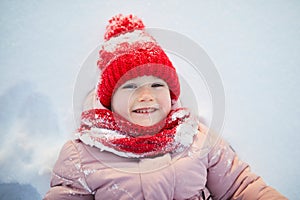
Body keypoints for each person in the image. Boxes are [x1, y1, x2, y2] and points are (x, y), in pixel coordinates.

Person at [44, 14, 287, 200]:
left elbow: (241, 186)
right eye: (130, 87)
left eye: (156, 84)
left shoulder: (197, 139)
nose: (146, 95)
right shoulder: (83, 154)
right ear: (108, 99)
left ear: (171, 95)